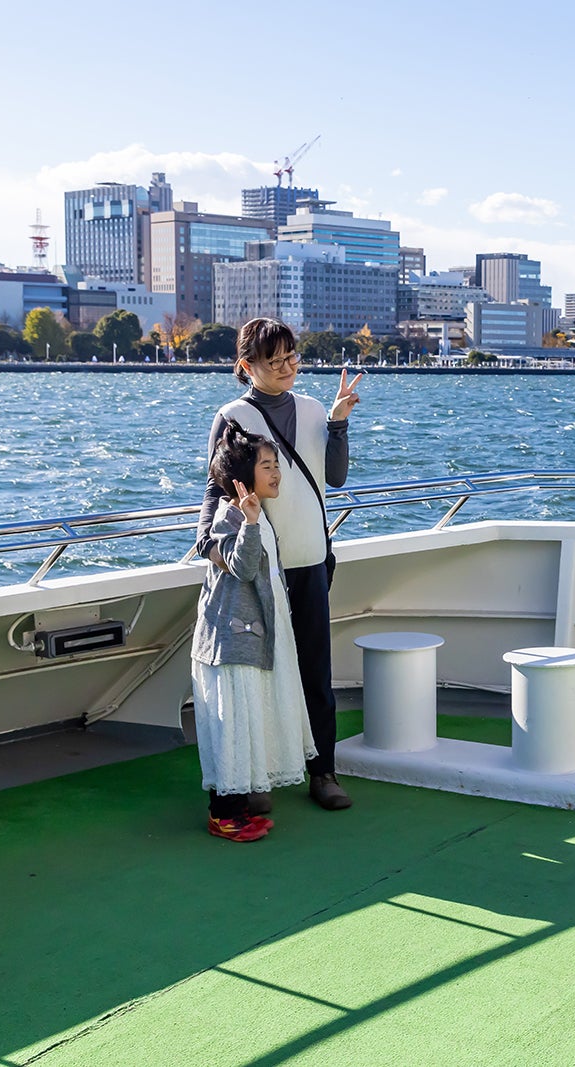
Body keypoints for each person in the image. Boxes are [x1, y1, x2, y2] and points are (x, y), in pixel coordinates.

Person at [195, 319, 363, 812]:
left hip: (311, 557)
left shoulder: (312, 409)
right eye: (276, 360)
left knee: (315, 670)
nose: (289, 367)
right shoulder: (232, 415)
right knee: (260, 673)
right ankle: (259, 774)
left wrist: (337, 422)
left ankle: (323, 771)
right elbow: (215, 484)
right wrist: (208, 540)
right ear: (247, 366)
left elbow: (334, 478)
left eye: (293, 357)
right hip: (260, 566)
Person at [192, 424, 316, 841]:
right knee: (233, 720)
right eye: (268, 465)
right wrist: (247, 523)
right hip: (230, 639)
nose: (277, 472)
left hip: (253, 633)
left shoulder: (256, 515)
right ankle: (222, 813)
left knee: (247, 716)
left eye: (276, 463)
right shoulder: (233, 517)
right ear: (244, 477)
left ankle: (239, 807)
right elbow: (242, 568)